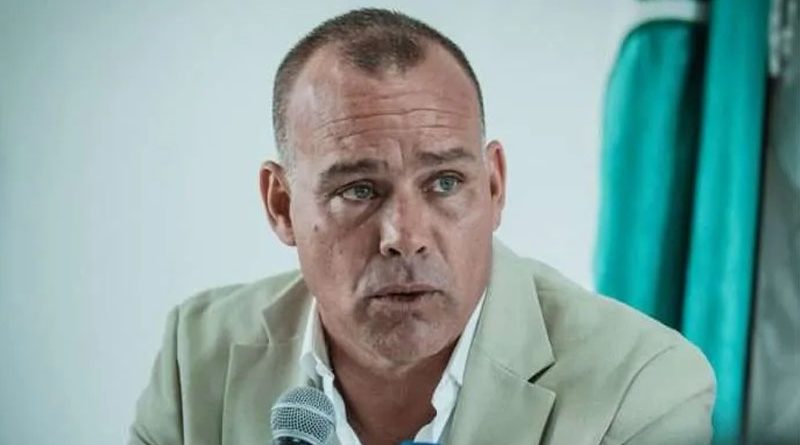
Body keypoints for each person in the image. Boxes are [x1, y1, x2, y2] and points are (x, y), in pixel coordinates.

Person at [128, 8, 715, 445]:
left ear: (494, 186)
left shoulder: (641, 388)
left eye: (444, 183)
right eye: (358, 190)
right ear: (281, 205)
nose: (405, 237)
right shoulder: (197, 356)